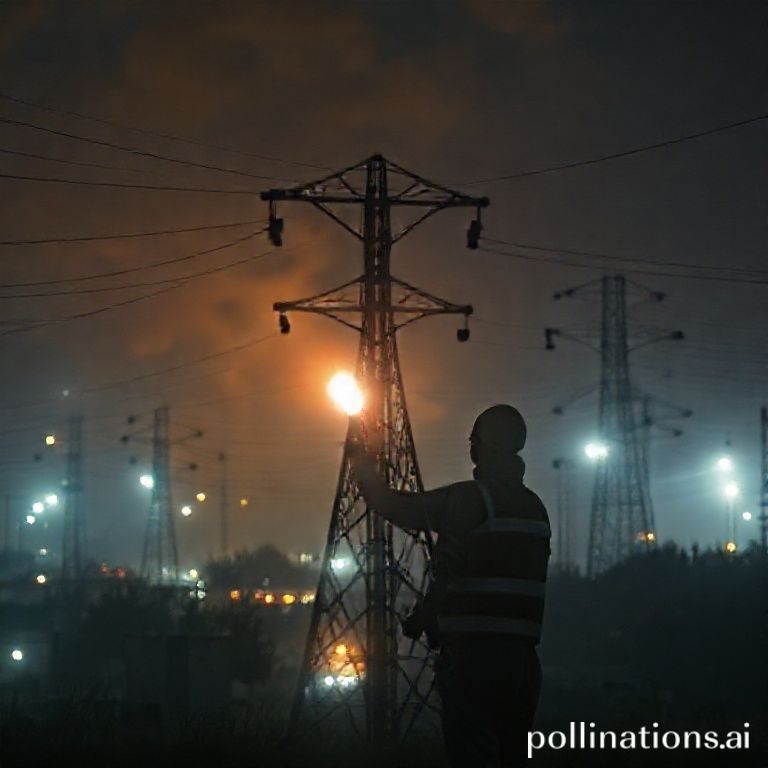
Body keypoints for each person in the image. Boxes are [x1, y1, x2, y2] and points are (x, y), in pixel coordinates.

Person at [349, 404, 550, 767]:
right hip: (522, 662)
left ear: (481, 447)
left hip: (475, 658)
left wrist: (363, 469)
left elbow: (402, 512)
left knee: (471, 753)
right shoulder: (534, 507)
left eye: (473, 441)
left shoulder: (470, 500)